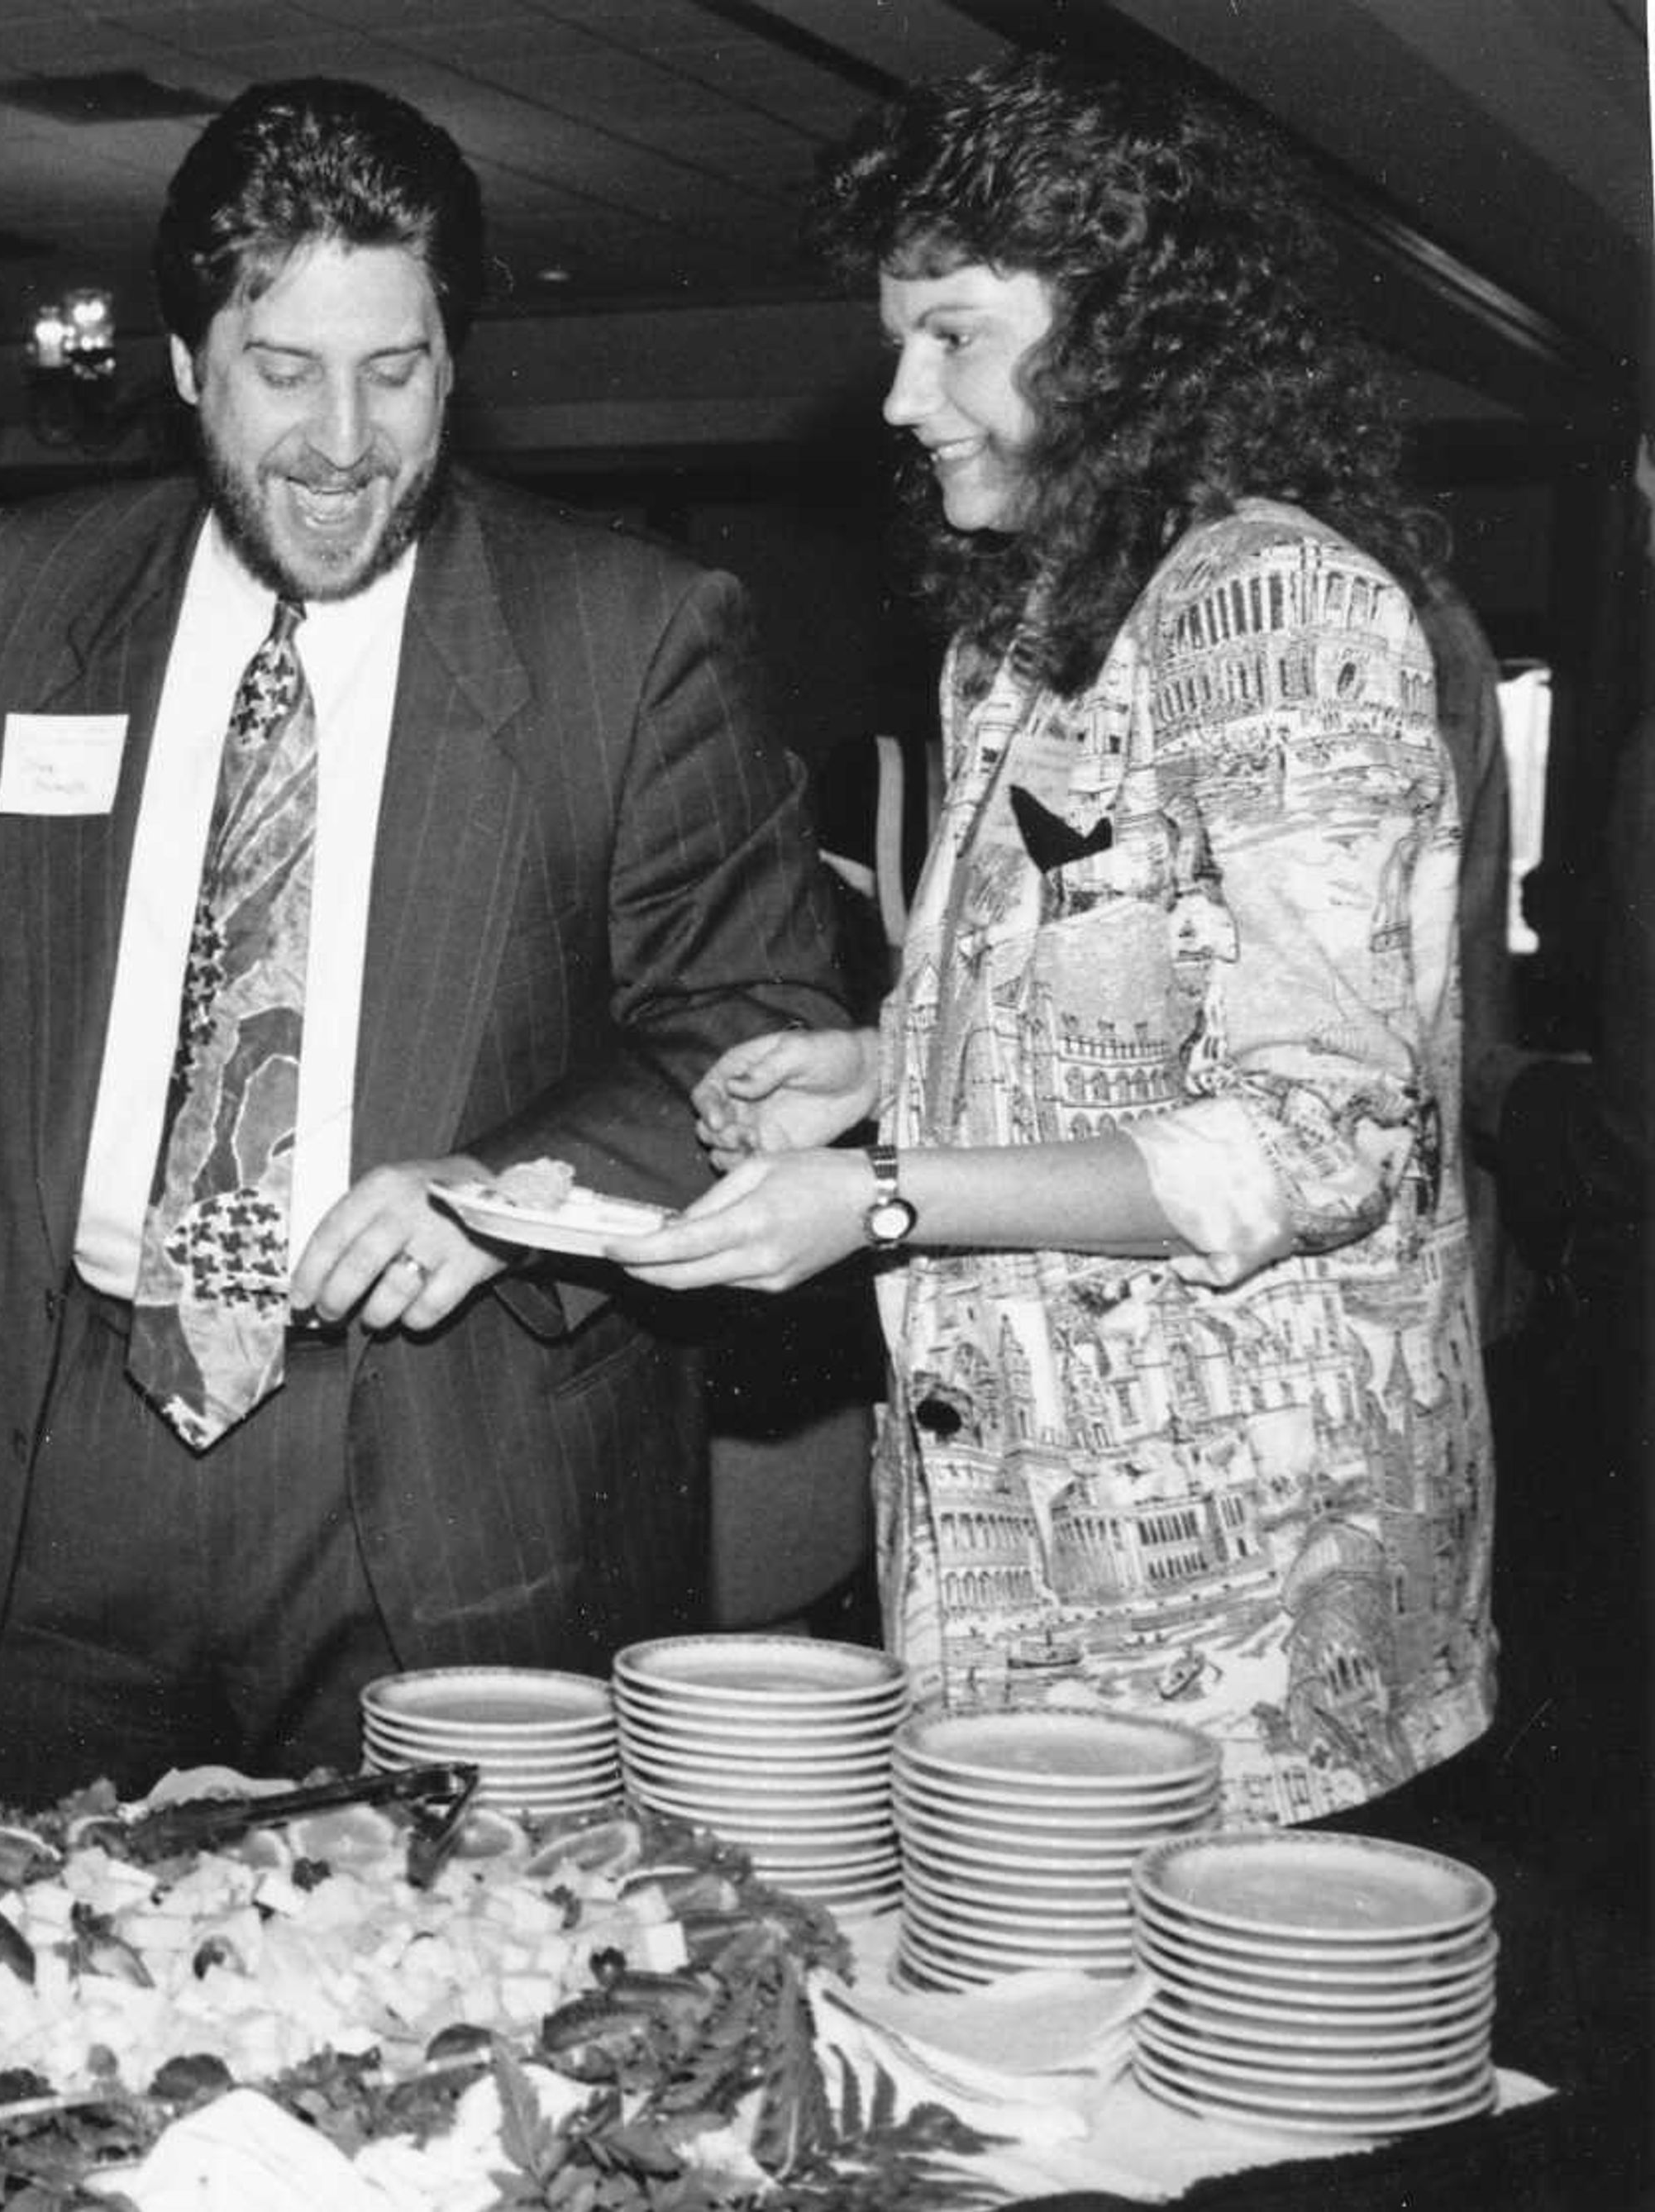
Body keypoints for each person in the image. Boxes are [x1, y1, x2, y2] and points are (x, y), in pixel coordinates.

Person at [0, 79, 846, 1804]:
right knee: (52, 2010)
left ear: (457, 361)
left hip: (451, 1484)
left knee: (452, 2035)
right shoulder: (40, 587)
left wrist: (497, 1189)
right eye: (284, 370)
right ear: (184, 366)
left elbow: (746, 1043)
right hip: (75, 1474)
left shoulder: (632, 632)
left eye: (397, 368)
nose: (345, 441)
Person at [618, 55, 1495, 1826]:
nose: (897, 395)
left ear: (1121, 333)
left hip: (1248, 1620)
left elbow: (1322, 1135)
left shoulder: (1283, 602)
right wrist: (882, 1071)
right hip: (1010, 1571)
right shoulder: (1019, 640)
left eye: (949, 336)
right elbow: (1124, 997)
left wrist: (878, 1196)